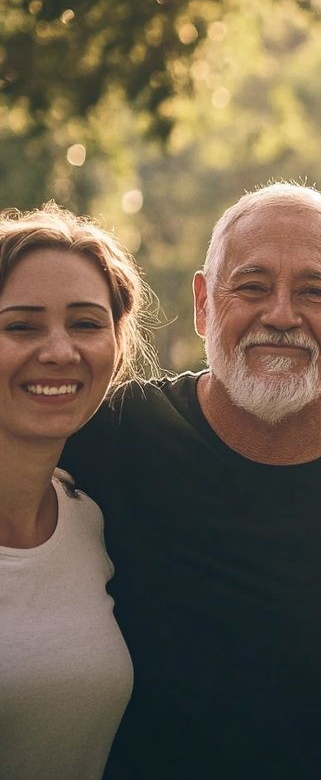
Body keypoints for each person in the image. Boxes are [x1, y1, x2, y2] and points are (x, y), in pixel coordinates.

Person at [58, 184, 321, 780]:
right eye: (253, 286)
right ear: (204, 301)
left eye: (314, 291)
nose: (282, 315)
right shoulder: (106, 432)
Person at [0, 203, 155, 780]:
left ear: (116, 346)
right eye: (21, 326)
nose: (61, 351)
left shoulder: (86, 522)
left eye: (86, 323)